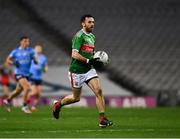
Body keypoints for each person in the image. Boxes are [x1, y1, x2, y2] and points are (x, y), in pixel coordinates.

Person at [53, 14, 113, 128]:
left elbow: (91, 54)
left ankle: (102, 119)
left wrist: (96, 60)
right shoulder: (79, 36)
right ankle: (58, 105)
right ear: (83, 23)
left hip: (88, 70)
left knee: (99, 91)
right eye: (89, 22)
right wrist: (88, 61)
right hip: (76, 71)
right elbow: (74, 54)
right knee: (76, 98)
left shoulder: (92, 37)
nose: (92, 24)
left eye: (93, 22)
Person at [3, 36, 38, 113]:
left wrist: (35, 60)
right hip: (18, 73)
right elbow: (8, 59)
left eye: (28, 41)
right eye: (25, 41)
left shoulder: (31, 51)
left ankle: (7, 100)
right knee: (27, 88)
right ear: (21, 42)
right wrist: (13, 62)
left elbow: (36, 62)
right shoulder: (15, 51)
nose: (27, 43)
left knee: (18, 91)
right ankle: (24, 106)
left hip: (27, 74)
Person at [28, 45, 48, 111]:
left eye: (40, 48)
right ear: (34, 49)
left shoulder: (43, 57)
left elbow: (45, 67)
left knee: (38, 93)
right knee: (34, 92)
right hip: (32, 76)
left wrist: (45, 69)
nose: (39, 49)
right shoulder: (31, 57)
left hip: (39, 77)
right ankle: (25, 97)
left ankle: (34, 106)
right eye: (37, 48)